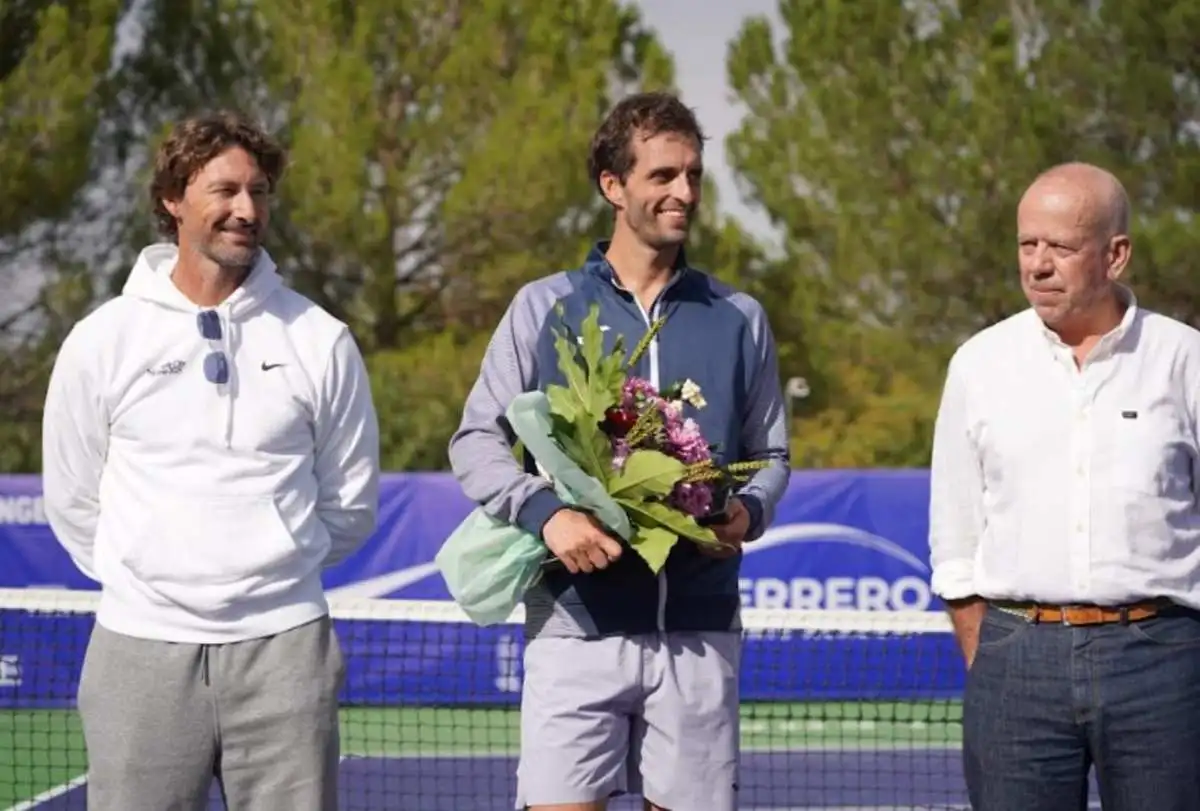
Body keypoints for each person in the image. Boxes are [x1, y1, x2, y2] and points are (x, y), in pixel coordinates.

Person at [447, 91, 790, 811]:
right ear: (613, 185)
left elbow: (773, 455)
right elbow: (477, 440)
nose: (684, 192)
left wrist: (745, 517)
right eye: (663, 176)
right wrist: (548, 515)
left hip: (698, 628)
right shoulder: (543, 306)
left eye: (693, 175)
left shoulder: (739, 318)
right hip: (575, 627)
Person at [41, 111, 380, 811]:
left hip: (286, 649)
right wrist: (148, 578)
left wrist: (275, 570)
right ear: (173, 197)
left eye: (259, 191)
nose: (246, 209)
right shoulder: (101, 339)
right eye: (224, 190)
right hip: (139, 650)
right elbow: (73, 499)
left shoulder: (321, 339)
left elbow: (349, 502)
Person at [928, 161, 1200, 811]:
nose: (1038, 265)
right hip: (1015, 661)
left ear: (1116, 255)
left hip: (1164, 664)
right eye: (1028, 244)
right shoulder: (979, 364)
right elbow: (956, 535)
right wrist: (995, 650)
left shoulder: (1184, 360)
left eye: (1061, 247)